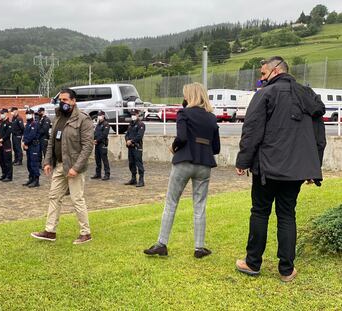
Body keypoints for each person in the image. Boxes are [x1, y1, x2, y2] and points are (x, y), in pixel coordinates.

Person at [235, 56, 326, 282]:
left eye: (263, 74)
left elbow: (252, 130)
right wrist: (313, 167)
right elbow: (319, 138)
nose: (261, 78)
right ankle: (286, 270)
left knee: (260, 212)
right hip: (296, 170)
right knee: (287, 215)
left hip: (267, 168)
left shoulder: (265, 94)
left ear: (276, 71)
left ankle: (252, 262)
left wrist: (242, 161)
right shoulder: (308, 95)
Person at [144, 82, 220, 258]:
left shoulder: (184, 113)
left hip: (184, 161)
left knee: (171, 203)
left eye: (185, 94)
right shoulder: (212, 118)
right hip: (205, 165)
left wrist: (174, 147)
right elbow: (216, 148)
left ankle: (161, 244)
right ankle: (199, 248)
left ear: (190, 96)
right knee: (199, 206)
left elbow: (182, 137)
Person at [31, 88, 94, 244]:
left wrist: (76, 168)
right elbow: (52, 141)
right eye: (61, 100)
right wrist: (47, 161)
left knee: (77, 199)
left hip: (74, 167)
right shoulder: (58, 117)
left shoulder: (83, 119)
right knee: (54, 196)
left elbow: (87, 146)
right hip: (59, 165)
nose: (62, 102)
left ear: (73, 101)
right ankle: (50, 231)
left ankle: (86, 233)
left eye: (65, 100)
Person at [124, 109, 145, 187]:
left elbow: (139, 136)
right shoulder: (130, 124)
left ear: (137, 115)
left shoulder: (141, 124)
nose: (132, 116)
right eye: (131, 114)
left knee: (139, 163)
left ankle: (141, 180)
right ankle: (133, 179)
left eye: (134, 114)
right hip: (130, 147)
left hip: (137, 147)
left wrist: (131, 141)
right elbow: (126, 134)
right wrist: (127, 140)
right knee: (131, 163)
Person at [22, 108, 40, 188]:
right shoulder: (28, 124)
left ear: (32, 114)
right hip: (28, 146)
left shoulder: (34, 124)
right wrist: (23, 142)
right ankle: (31, 178)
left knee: (34, 163)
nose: (28, 115)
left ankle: (36, 180)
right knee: (29, 164)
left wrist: (25, 142)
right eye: (27, 114)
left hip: (34, 146)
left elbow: (32, 135)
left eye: (29, 114)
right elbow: (25, 134)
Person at [91, 110, 111, 180]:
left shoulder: (106, 124)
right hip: (97, 144)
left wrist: (97, 140)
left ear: (103, 116)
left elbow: (104, 135)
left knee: (104, 160)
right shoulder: (98, 124)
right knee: (97, 160)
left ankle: (107, 174)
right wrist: (94, 139)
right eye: (98, 115)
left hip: (102, 144)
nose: (99, 117)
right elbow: (95, 133)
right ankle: (98, 174)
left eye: (100, 115)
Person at [0, 108, 13, 182]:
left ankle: (9, 176)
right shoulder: (0, 122)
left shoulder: (9, 123)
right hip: (0, 144)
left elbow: (7, 134)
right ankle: (4, 174)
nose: (1, 114)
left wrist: (1, 140)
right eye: (0, 113)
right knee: (1, 160)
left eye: (2, 113)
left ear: (6, 113)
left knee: (7, 161)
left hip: (6, 144)